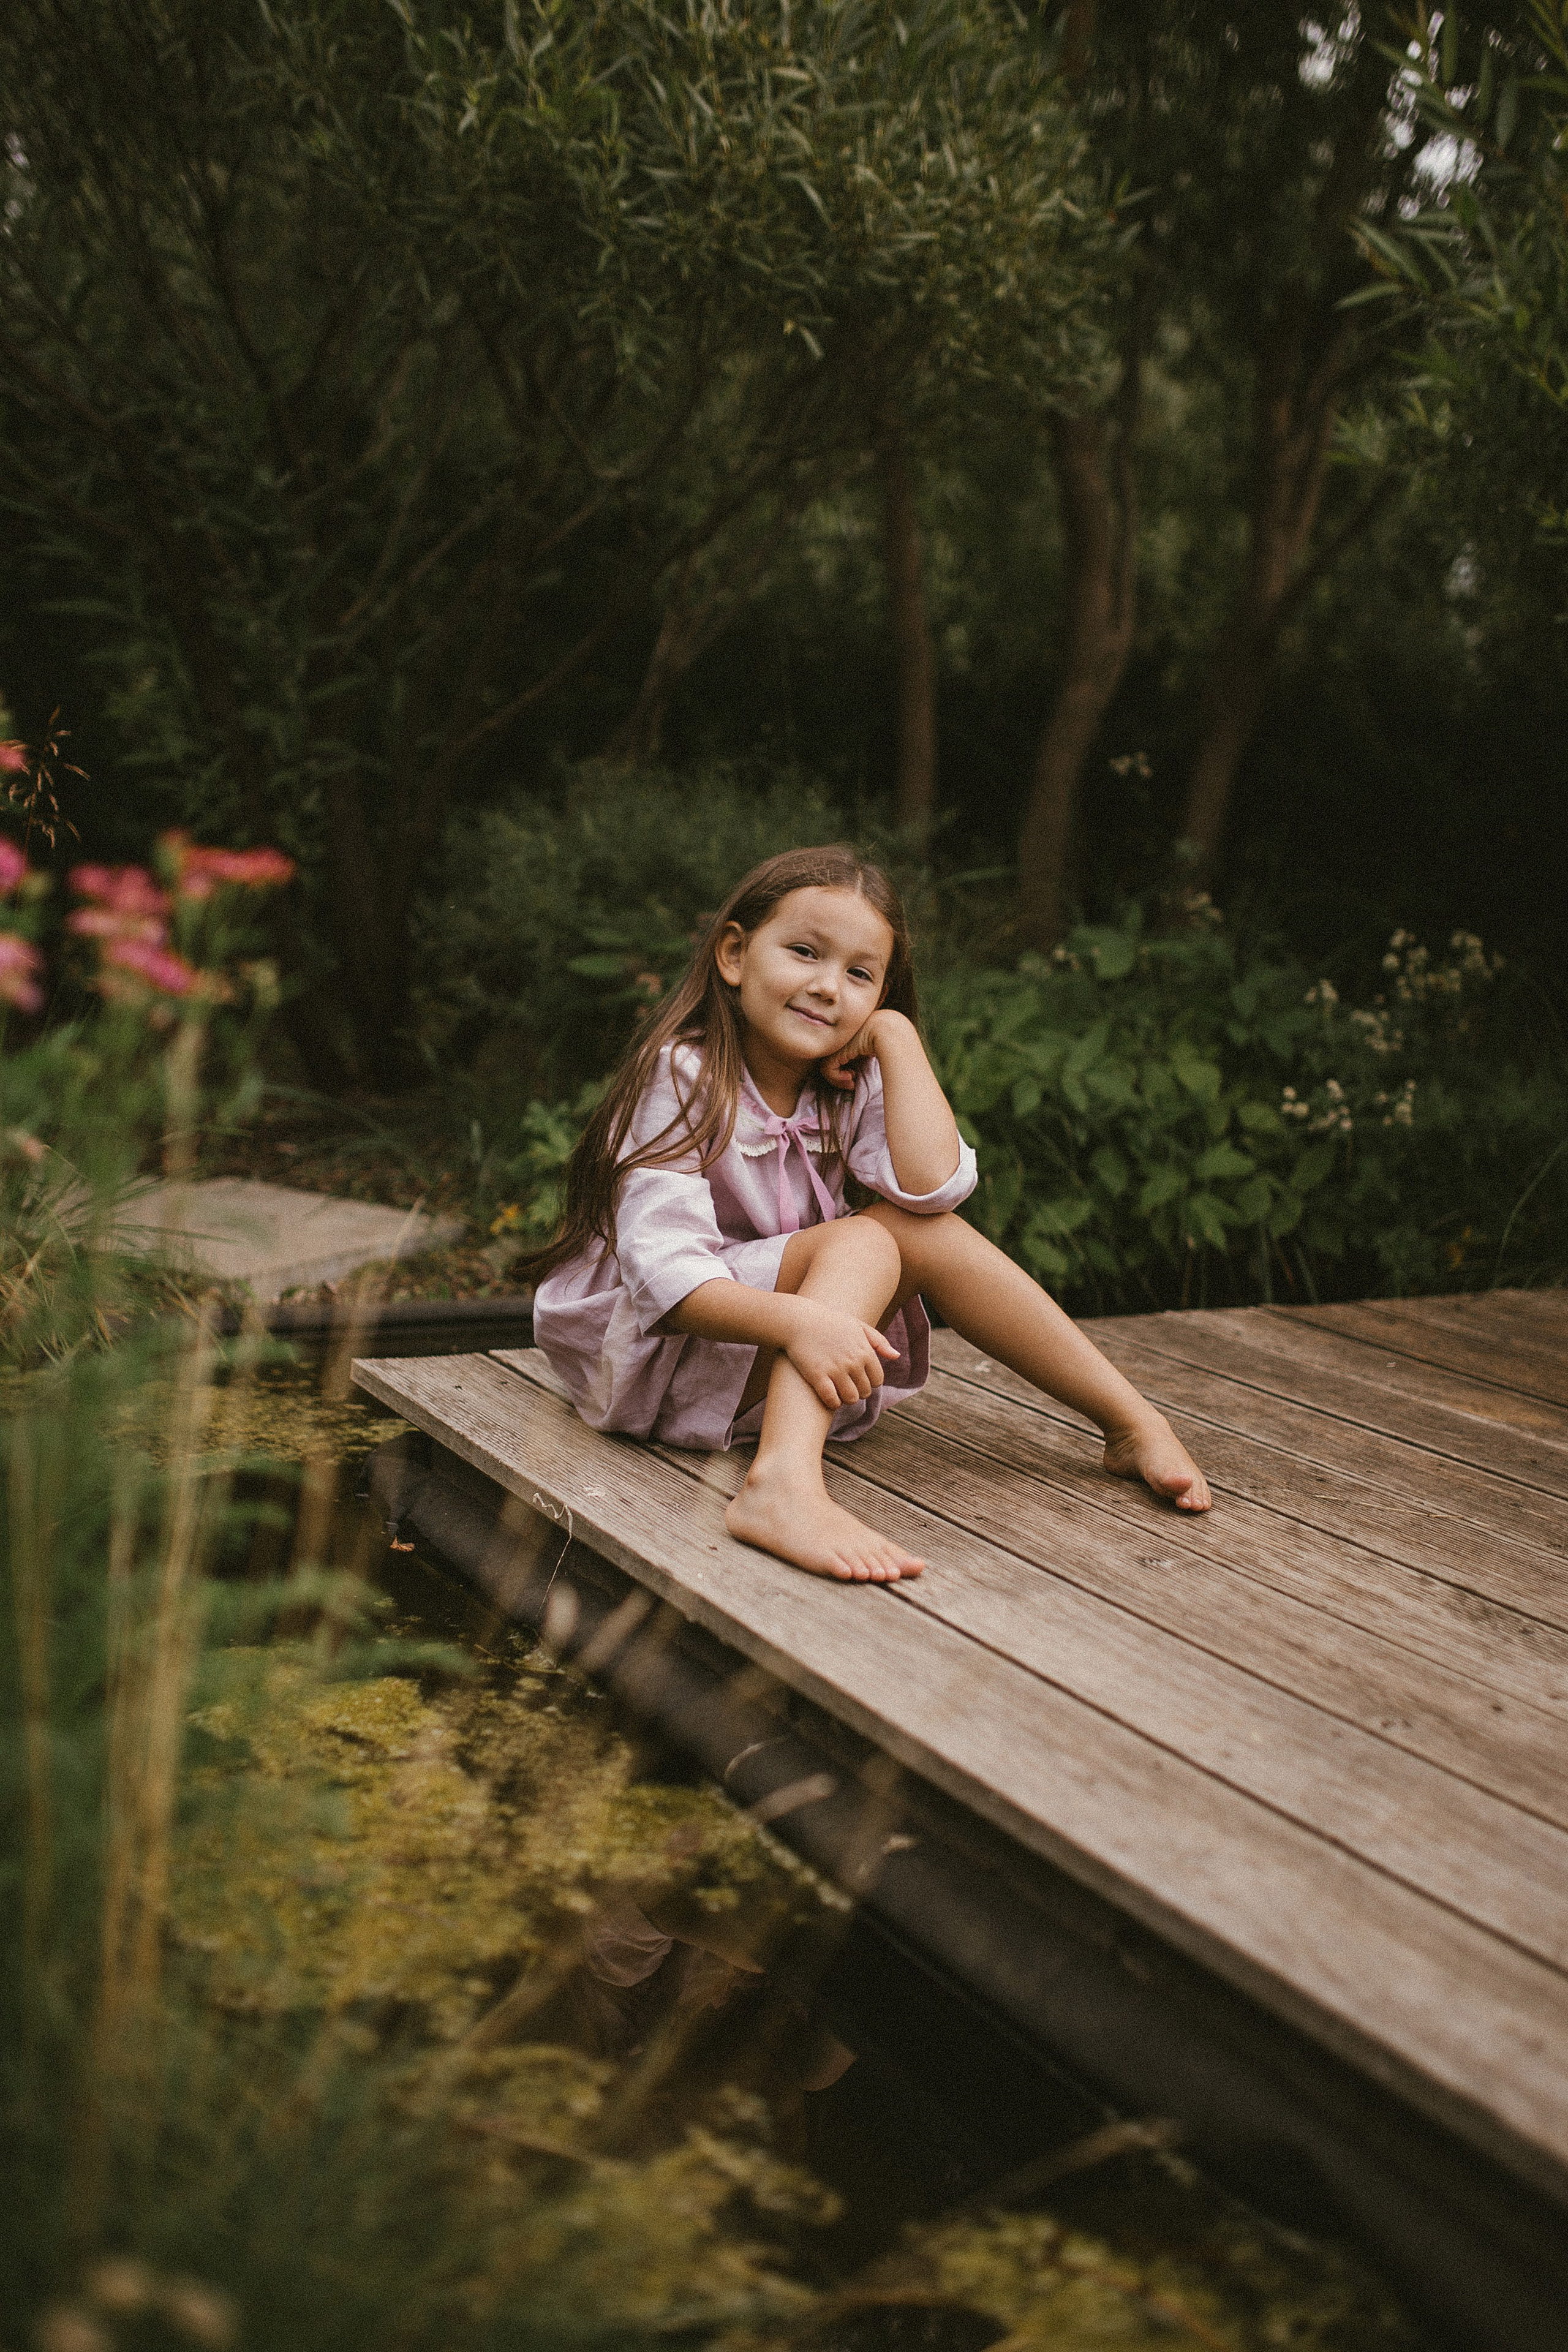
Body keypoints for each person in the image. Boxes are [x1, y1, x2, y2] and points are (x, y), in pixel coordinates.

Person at [526, 846, 1210, 1585]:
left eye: (860, 974)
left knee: (918, 1233)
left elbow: (933, 1191)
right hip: (653, 1356)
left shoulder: (844, 1086)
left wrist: (894, 1036)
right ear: (733, 954)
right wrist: (800, 1323)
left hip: (766, 1351)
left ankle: (1128, 1422)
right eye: (804, 952)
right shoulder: (684, 1074)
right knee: (865, 1242)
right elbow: (667, 1279)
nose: (828, 987)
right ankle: (781, 1486)